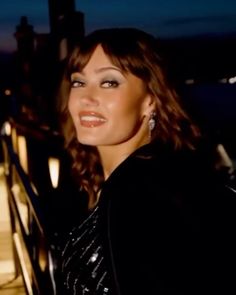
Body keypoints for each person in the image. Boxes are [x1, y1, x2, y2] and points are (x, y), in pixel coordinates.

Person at [57, 28, 236, 294]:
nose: (86, 98)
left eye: (109, 83)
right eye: (78, 82)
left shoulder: (146, 189)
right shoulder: (128, 179)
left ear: (150, 100)